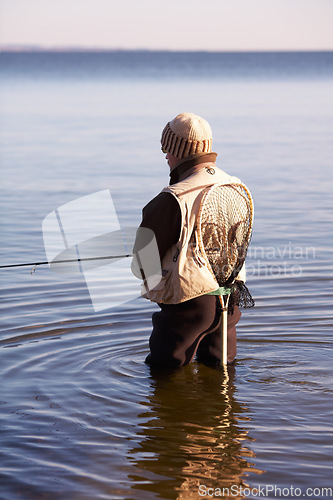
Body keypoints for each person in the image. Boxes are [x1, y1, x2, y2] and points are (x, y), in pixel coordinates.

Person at [132, 112, 253, 369]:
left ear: (179, 150)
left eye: (167, 148)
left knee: (164, 373)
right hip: (229, 300)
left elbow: (142, 265)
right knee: (221, 372)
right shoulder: (235, 185)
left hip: (189, 307)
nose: (165, 155)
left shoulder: (171, 199)